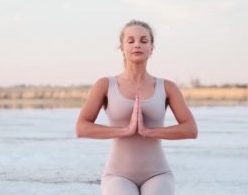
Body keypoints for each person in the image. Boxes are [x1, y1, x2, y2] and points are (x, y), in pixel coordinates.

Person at [76, 20, 198, 195]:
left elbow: (190, 129)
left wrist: (149, 132)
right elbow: (82, 128)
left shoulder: (167, 87)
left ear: (151, 48)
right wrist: (125, 130)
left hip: (158, 174)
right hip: (117, 175)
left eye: (143, 40)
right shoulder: (105, 85)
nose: (137, 45)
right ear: (122, 48)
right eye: (130, 41)